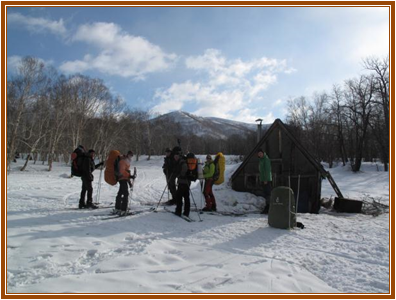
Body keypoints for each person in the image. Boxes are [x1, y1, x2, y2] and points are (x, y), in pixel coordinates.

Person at [114, 151, 135, 216]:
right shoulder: (123, 161)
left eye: (132, 155)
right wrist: (130, 176)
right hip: (122, 179)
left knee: (120, 193)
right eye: (130, 155)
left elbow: (126, 172)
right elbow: (122, 172)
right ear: (127, 155)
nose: (131, 156)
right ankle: (123, 210)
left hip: (123, 179)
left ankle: (118, 208)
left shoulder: (126, 161)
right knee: (126, 194)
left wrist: (130, 180)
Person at [173, 149, 191, 217]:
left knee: (179, 196)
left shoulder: (182, 161)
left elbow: (184, 169)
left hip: (183, 182)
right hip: (186, 182)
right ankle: (186, 212)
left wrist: (180, 175)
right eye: (175, 156)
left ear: (179, 156)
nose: (175, 157)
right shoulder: (182, 161)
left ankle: (178, 211)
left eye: (176, 156)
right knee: (186, 197)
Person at [257, 148, 272, 214]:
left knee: (268, 194)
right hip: (263, 179)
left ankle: (269, 208)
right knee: (265, 194)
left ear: (263, 153)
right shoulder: (261, 160)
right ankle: (267, 207)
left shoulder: (266, 159)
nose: (259, 154)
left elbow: (267, 170)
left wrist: (266, 179)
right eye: (258, 154)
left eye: (260, 153)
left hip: (266, 179)